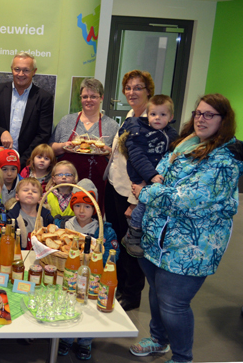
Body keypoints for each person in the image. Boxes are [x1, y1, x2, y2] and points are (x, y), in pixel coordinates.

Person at [129, 94, 243, 363]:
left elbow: (186, 200)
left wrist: (147, 192)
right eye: (198, 113)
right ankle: (158, 340)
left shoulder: (224, 161)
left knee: (174, 304)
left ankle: (182, 358)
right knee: (157, 295)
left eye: (209, 115)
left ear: (224, 120)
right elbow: (162, 172)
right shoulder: (187, 143)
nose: (201, 119)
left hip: (190, 247)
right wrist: (157, 190)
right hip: (159, 238)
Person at [103, 69, 153, 311]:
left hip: (132, 195)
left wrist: (136, 202)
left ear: (148, 91)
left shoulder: (150, 121)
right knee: (118, 241)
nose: (132, 92)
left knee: (131, 245)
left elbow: (147, 164)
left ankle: (131, 295)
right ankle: (119, 287)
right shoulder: (130, 114)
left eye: (138, 88)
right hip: (116, 187)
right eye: (129, 87)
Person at [55, 179, 120, 360]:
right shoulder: (63, 226)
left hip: (94, 278)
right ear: (72, 208)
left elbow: (114, 256)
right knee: (69, 305)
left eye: (87, 206)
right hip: (69, 276)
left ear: (95, 209)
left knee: (90, 309)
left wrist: (104, 252)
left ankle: (85, 341)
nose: (82, 211)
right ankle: (66, 338)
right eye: (77, 206)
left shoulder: (104, 231)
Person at [119, 95, 178, 257]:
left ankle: (150, 236)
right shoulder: (139, 133)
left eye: (163, 114)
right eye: (153, 114)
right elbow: (137, 157)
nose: (157, 118)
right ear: (147, 115)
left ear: (171, 117)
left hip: (158, 178)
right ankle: (132, 235)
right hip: (142, 175)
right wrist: (150, 176)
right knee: (143, 205)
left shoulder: (171, 134)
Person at [49, 78, 118, 213]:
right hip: (65, 187)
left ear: (101, 98)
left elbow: (117, 158)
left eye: (93, 96)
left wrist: (107, 150)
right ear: (80, 98)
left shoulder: (111, 125)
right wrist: (64, 145)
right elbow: (51, 148)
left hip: (97, 187)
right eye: (85, 96)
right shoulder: (67, 121)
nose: (88, 100)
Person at [0, 52, 55, 168]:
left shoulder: (44, 98)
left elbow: (43, 134)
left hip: (27, 162)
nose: (21, 74)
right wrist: (2, 132)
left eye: (26, 70)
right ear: (11, 70)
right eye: (17, 69)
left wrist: (21, 161)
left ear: (34, 72)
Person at [7, 178, 54, 250]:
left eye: (34, 191)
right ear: (17, 197)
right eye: (25, 190)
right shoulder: (12, 216)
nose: (30, 192)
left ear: (40, 199)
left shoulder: (46, 216)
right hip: (19, 253)